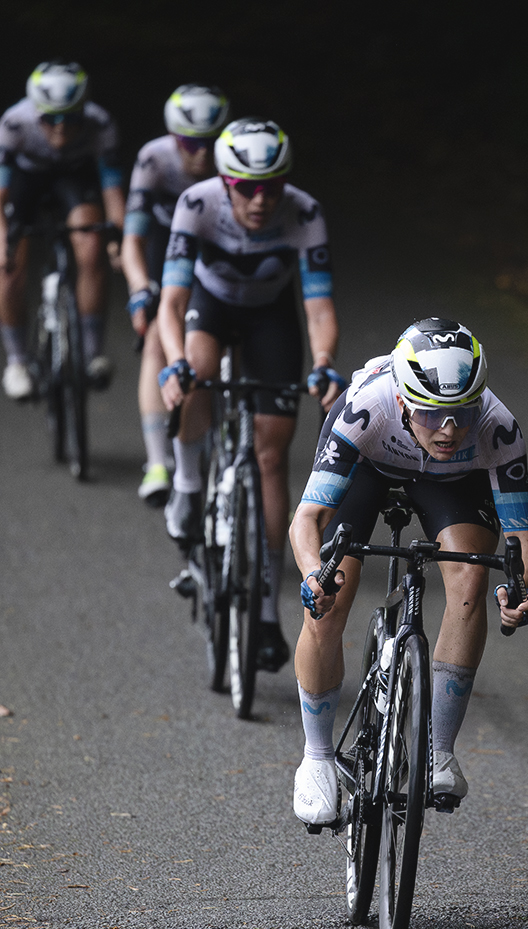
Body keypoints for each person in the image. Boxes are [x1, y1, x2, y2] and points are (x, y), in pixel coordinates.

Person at [289, 316, 528, 826]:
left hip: (451, 481)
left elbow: (523, 544)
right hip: (368, 463)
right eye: (431, 414)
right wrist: (315, 572)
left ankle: (439, 752)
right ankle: (316, 758)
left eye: (461, 413)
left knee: (470, 579)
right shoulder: (367, 408)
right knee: (331, 594)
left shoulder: (497, 427)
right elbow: (307, 521)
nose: (449, 430)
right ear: (404, 401)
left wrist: (518, 589)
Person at [157, 116, 342, 673]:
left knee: (270, 455)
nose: (261, 200)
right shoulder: (196, 203)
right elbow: (171, 302)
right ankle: (189, 484)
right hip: (209, 308)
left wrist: (325, 363)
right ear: (225, 181)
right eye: (246, 187)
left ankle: (264, 609)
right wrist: (174, 365)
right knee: (197, 379)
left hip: (270, 318)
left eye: (272, 186)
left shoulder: (304, 212)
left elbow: (318, 307)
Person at [121, 84, 229, 507]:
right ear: (173, 137)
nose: (201, 154)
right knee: (155, 338)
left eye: (210, 143)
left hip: (218, 251)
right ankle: (157, 463)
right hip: (167, 246)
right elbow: (133, 237)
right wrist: (138, 288)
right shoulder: (155, 158)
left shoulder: (234, 161)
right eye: (190, 143)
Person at [0, 61, 125, 400]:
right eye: (49, 118)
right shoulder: (14, 123)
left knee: (92, 246)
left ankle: (93, 352)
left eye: (70, 118)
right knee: (8, 267)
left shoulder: (100, 123)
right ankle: (17, 361)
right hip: (27, 180)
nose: (59, 128)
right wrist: (3, 241)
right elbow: (1, 194)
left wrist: (119, 239)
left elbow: (112, 190)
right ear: (35, 112)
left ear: (83, 111)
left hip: (74, 177)